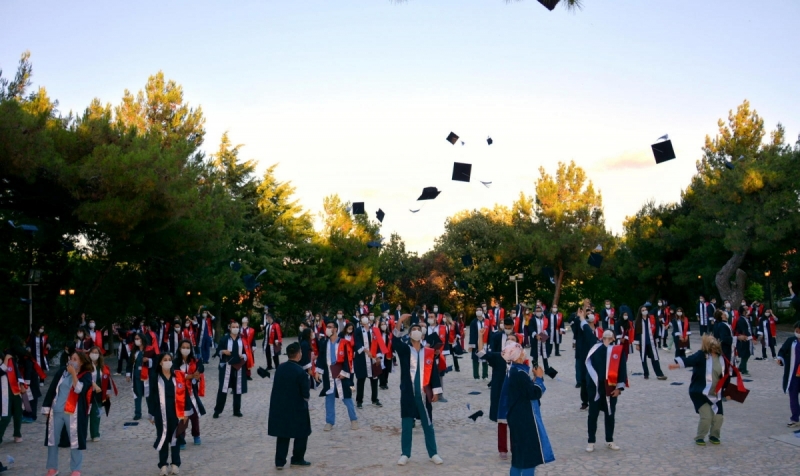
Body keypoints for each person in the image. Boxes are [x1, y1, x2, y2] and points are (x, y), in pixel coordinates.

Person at [392, 314, 443, 466]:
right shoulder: (405, 350)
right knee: (407, 423)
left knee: (428, 424)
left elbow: (434, 372)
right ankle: (405, 453)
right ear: (409, 334)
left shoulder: (428, 352)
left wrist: (436, 391)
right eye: (413, 329)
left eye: (418, 329)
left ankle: (433, 453)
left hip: (424, 392)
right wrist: (400, 322)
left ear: (422, 334)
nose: (415, 331)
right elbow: (394, 342)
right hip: (409, 392)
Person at [668, 335, 731, 445]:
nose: (715, 347)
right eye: (713, 346)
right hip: (699, 392)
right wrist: (676, 365)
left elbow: (726, 376)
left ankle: (714, 436)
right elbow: (689, 360)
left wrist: (727, 393)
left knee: (719, 417)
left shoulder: (722, 359)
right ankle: (700, 437)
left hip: (715, 393)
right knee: (707, 417)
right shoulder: (701, 355)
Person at [503, 341, 554, 476]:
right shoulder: (519, 373)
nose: (525, 355)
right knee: (528, 458)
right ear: (518, 356)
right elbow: (533, 393)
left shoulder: (513, 370)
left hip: (516, 417)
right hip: (524, 419)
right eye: (522, 353)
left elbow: (523, 391)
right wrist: (539, 378)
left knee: (518, 458)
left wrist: (532, 379)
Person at [43, 349, 94, 476]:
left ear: (81, 362)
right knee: (52, 440)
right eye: (71, 358)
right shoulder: (62, 372)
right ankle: (52, 467)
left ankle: (76, 469)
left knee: (75, 441)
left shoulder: (86, 375)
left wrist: (74, 374)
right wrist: (47, 409)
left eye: (75, 359)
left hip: (73, 413)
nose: (72, 361)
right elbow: (52, 389)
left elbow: (79, 390)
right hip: (57, 411)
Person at [477, 327, 519, 460]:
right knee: (502, 421)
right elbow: (481, 353)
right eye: (508, 340)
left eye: (513, 340)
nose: (510, 341)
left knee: (515, 421)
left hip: (514, 393)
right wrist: (480, 337)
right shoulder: (497, 356)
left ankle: (516, 447)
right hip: (500, 393)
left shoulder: (520, 358)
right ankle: (502, 449)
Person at [268, 343, 312, 469]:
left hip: (280, 406)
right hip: (297, 407)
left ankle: (280, 461)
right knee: (302, 432)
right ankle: (297, 458)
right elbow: (305, 393)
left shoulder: (280, 368)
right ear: (299, 354)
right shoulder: (300, 372)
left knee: (283, 434)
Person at [584, 330, 625, 452]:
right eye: (605, 336)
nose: (607, 337)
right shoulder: (595, 348)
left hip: (610, 387)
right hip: (596, 387)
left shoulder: (618, 350)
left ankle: (609, 440)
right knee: (593, 414)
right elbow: (588, 334)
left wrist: (619, 388)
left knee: (610, 414)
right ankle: (591, 441)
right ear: (602, 337)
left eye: (609, 336)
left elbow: (622, 369)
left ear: (613, 338)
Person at [147, 353, 187, 475]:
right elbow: (151, 396)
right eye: (165, 360)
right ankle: (163, 465)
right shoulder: (155, 377)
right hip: (161, 412)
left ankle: (175, 464)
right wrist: (151, 414)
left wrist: (185, 412)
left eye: (170, 359)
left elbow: (185, 394)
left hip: (176, 412)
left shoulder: (178, 376)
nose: (168, 362)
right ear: (160, 362)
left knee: (175, 438)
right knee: (163, 438)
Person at [316, 320, 358, 431]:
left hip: (341, 374)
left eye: (330, 327)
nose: (328, 329)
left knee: (347, 398)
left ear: (335, 329)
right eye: (327, 327)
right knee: (329, 398)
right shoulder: (325, 343)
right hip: (329, 374)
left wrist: (345, 373)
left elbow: (348, 359)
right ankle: (329, 421)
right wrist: (318, 371)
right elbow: (321, 358)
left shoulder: (344, 343)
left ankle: (353, 419)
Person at [174, 340, 205, 447]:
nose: (186, 349)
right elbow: (179, 376)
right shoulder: (175, 362)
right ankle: (181, 438)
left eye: (188, 347)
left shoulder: (194, 360)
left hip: (192, 391)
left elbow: (200, 368)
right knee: (183, 416)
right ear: (179, 348)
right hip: (180, 392)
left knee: (195, 414)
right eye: (184, 347)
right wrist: (190, 376)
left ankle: (196, 435)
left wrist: (197, 374)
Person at [214, 320, 248, 418]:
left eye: (237, 327)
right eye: (233, 327)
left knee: (238, 389)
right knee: (223, 389)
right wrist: (223, 351)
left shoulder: (242, 339)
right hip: (226, 367)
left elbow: (247, 352)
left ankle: (237, 410)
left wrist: (244, 356)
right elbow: (218, 351)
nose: (235, 329)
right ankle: (217, 410)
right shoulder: (224, 339)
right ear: (230, 328)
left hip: (238, 367)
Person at [87, 346, 117, 442]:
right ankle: (82, 434)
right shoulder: (85, 366)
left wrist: (107, 392)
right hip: (87, 393)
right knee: (85, 414)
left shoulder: (103, 367)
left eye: (97, 353)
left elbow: (106, 379)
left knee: (96, 414)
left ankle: (95, 433)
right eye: (93, 352)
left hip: (99, 393)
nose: (94, 355)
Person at [776, 321, 800, 428]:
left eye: (799, 331)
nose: (797, 332)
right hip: (793, 374)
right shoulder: (791, 340)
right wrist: (780, 359)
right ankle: (795, 418)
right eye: (796, 331)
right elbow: (782, 351)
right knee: (793, 395)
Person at [634, 306, 668, 381]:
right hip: (642, 342)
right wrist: (637, 344)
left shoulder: (652, 319)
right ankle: (646, 373)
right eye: (642, 310)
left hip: (651, 342)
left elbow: (656, 329)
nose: (644, 311)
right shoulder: (638, 321)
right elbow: (636, 333)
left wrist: (656, 340)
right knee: (643, 359)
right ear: (640, 312)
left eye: (645, 310)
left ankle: (659, 374)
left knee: (655, 358)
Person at [354, 316, 381, 409]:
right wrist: (365, 350)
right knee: (361, 380)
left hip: (373, 358)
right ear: (361, 321)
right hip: (362, 358)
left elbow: (379, 343)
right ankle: (359, 400)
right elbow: (357, 343)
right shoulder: (358, 330)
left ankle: (375, 399)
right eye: (363, 319)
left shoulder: (374, 330)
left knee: (374, 379)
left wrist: (378, 356)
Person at [126, 332, 153, 420]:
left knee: (148, 394)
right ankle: (138, 413)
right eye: (135, 339)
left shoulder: (149, 350)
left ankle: (151, 412)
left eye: (138, 338)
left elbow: (155, 362)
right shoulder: (134, 351)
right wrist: (128, 374)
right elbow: (129, 363)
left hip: (147, 376)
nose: (137, 340)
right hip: (136, 376)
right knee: (137, 394)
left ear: (142, 339)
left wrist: (148, 361)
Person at [0, 346, 24, 444]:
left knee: (18, 413)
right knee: (6, 416)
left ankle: (17, 434)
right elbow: (1, 371)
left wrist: (22, 385)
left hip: (15, 390)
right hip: (4, 393)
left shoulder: (11, 360)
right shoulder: (6, 359)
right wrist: (6, 359)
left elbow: (17, 373)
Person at [469, 307, 490, 380]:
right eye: (477, 310)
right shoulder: (473, 322)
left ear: (482, 311)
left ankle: (485, 375)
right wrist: (471, 345)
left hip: (485, 342)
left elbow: (489, 332)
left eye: (480, 310)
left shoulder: (487, 321)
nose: (479, 311)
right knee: (475, 359)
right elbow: (472, 334)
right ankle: (476, 376)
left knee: (485, 359)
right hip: (476, 342)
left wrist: (490, 342)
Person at [734, 307, 754, 376]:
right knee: (745, 354)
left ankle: (741, 367)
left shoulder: (746, 318)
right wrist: (750, 337)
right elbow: (744, 329)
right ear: (743, 312)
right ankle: (744, 369)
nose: (747, 311)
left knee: (747, 354)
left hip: (748, 338)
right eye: (746, 310)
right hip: (744, 339)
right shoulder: (741, 320)